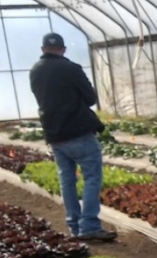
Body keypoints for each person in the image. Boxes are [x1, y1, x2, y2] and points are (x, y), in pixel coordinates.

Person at [29, 33, 117, 242]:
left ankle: (75, 227)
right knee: (92, 178)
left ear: (43, 50)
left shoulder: (35, 71)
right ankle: (89, 226)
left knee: (67, 180)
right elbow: (90, 98)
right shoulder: (71, 69)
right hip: (78, 131)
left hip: (54, 134)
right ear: (63, 49)